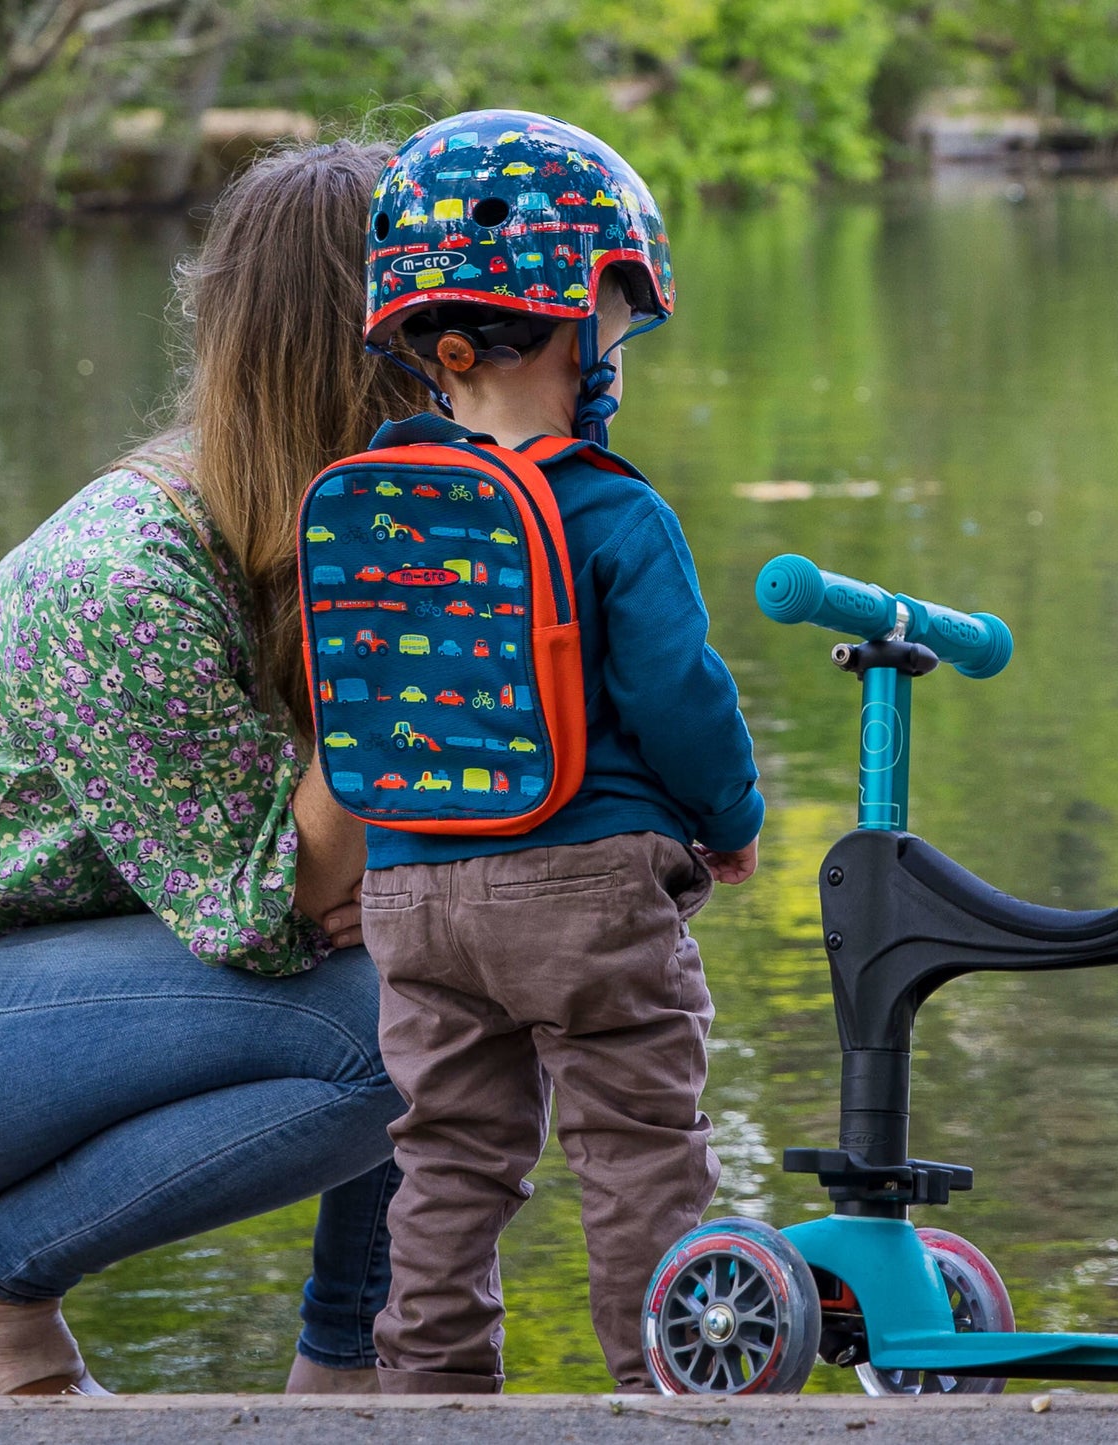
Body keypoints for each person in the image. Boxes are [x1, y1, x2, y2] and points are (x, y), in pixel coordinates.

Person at [0, 137, 426, 1396]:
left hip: (83, 968)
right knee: (406, 1028)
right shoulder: (127, 576)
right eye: (453, 320)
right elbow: (264, 905)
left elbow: (331, 870)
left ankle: (358, 1372)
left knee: (451, 968)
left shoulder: (323, 527)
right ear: (366, 347)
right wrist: (389, 670)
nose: (486, 355)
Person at [352, 110, 765, 1394]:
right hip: (585, 885)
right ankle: (672, 1392)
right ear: (579, 317)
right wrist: (732, 814)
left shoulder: (373, 504)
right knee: (638, 1146)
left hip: (410, 892)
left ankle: (424, 1396)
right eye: (620, 323)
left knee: (447, 1162)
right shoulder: (610, 505)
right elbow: (676, 691)